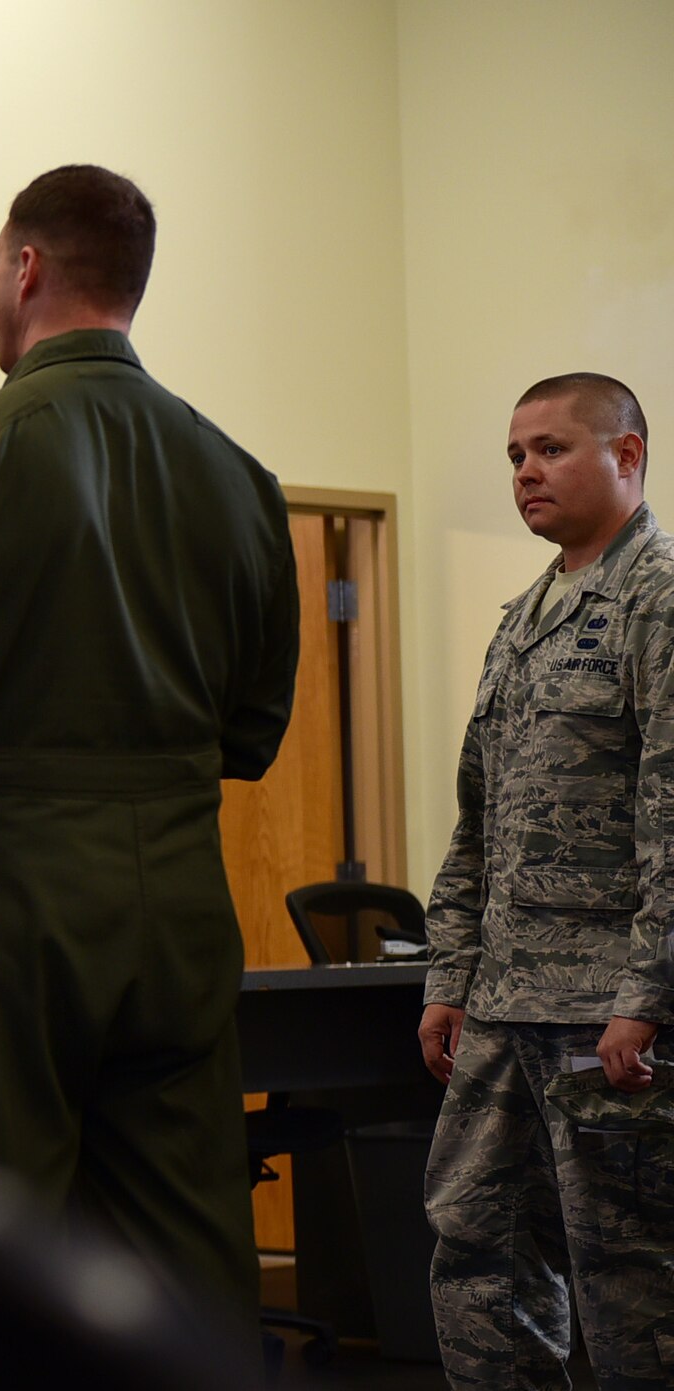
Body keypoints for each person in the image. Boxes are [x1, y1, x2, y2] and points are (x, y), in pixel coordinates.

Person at [0, 165, 298, 1316]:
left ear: (25, 268)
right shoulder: (239, 477)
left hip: (7, 894)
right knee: (187, 1234)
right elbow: (253, 732)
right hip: (177, 887)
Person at [418, 373, 674, 1388]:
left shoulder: (654, 604)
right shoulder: (523, 616)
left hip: (604, 1019)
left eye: (551, 448)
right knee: (475, 1252)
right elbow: (475, 822)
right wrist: (448, 978)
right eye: (515, 454)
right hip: (501, 1008)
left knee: (629, 1279)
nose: (525, 470)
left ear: (625, 455)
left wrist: (646, 995)